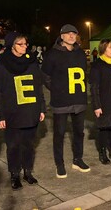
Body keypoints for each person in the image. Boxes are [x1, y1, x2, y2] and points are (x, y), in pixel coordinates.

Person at [0, 32, 46, 190]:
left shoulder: (32, 63)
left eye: (25, 44)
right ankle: (15, 174)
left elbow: (38, 88)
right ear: (11, 46)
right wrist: (0, 115)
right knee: (14, 146)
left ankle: (28, 171)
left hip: (30, 110)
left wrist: (41, 108)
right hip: (11, 113)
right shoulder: (1, 67)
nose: (24, 47)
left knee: (29, 145)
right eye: (20, 44)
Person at [41, 24, 90, 178]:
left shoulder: (80, 53)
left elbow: (84, 74)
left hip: (79, 100)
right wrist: (57, 89)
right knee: (59, 134)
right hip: (61, 101)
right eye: (68, 34)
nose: (71, 36)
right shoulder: (52, 54)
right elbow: (45, 76)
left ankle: (78, 159)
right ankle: (60, 164)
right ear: (61, 36)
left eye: (74, 34)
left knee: (79, 133)